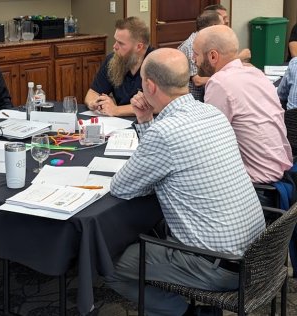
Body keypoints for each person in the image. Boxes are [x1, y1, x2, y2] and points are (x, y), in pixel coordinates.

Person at [106, 48, 265, 316]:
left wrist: (148, 126)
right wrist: (145, 121)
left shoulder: (165, 132)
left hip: (217, 266)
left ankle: (182, 311)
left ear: (149, 86)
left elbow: (122, 187)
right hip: (257, 253)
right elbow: (161, 161)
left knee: (108, 263)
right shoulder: (211, 113)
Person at [194, 25, 292, 185]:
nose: (193, 59)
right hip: (281, 171)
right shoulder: (256, 73)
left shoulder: (219, 82)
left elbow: (209, 142)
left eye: (195, 54)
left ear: (213, 56)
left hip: (256, 184)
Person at [84, 16, 153, 117]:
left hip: (150, 123)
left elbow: (159, 105)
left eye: (121, 43)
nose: (114, 46)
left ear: (139, 46)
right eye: (116, 41)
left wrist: (116, 110)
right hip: (119, 124)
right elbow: (93, 92)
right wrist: (94, 103)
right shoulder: (113, 60)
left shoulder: (157, 63)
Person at [178, 10, 223, 101]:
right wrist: (225, 78)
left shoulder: (206, 42)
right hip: (194, 99)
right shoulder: (192, 46)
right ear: (214, 27)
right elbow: (197, 81)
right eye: (223, 26)